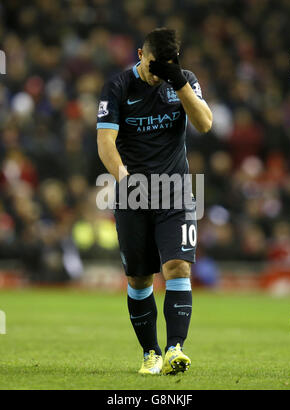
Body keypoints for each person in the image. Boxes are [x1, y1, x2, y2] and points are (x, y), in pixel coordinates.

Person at [97, 28, 212, 375]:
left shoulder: (183, 81)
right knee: (139, 279)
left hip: (175, 190)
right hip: (132, 192)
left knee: (178, 267)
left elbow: (205, 123)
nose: (153, 73)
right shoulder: (117, 87)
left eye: (162, 66)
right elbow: (106, 141)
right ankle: (151, 352)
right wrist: (123, 177)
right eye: (150, 65)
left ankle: (176, 348)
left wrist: (178, 82)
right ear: (139, 55)